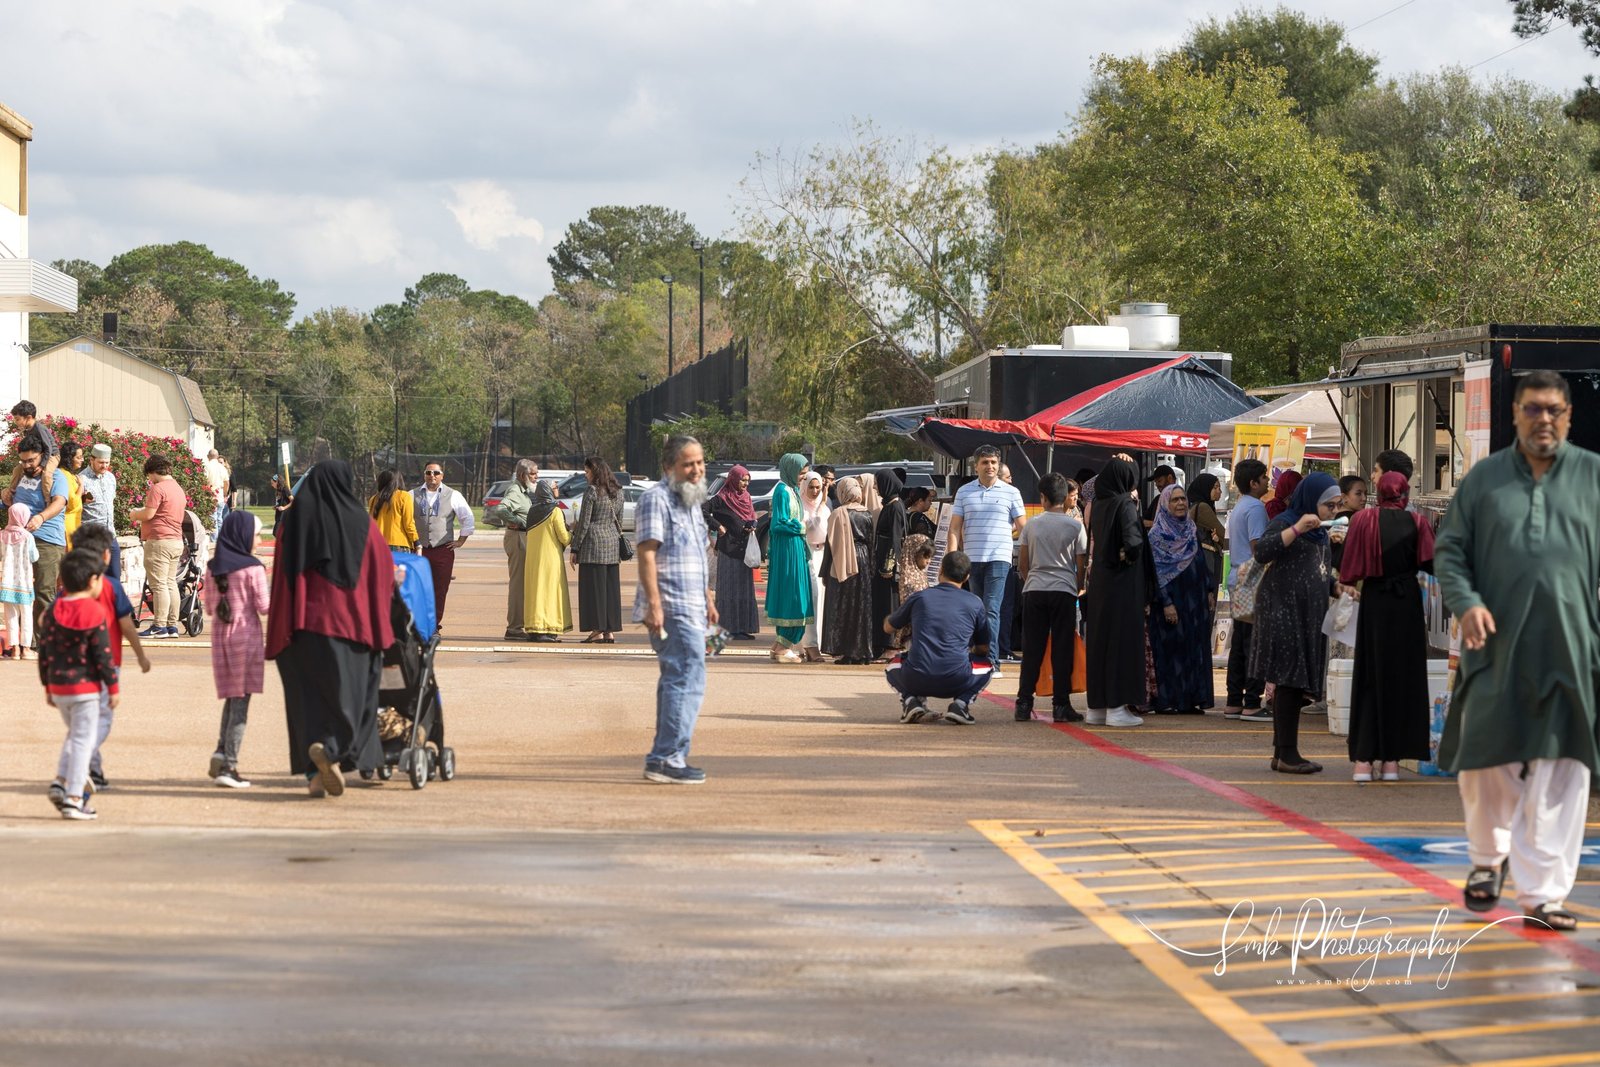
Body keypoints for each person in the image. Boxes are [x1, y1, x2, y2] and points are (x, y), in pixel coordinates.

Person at [1435, 370, 1598, 932]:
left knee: (1563, 768)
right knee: (1486, 757)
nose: (1543, 419)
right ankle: (1488, 859)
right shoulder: (1485, 480)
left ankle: (1544, 895)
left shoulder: (1593, 476)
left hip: (1572, 649)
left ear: (1569, 416)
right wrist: (1466, 602)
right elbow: (1450, 552)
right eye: (1533, 409)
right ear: (1515, 415)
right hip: (1495, 648)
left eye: (1554, 410)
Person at [266, 460, 394, 798]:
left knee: (307, 701)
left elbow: (282, 578)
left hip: (301, 628)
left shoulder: (294, 522)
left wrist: (282, 624)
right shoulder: (361, 522)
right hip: (350, 627)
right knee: (352, 698)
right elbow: (382, 574)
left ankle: (315, 776)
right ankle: (333, 750)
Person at [1340, 471, 1434, 783]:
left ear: (1379, 493)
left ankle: (1363, 762)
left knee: (1370, 674)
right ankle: (1392, 761)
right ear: (1404, 493)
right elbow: (1433, 562)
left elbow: (1349, 570)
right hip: (1407, 602)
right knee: (1403, 678)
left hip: (1375, 602)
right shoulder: (1418, 522)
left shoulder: (1363, 520)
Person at [634, 434, 718, 784]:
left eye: (700, 462)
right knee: (684, 676)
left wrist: (708, 598)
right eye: (688, 464)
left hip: (693, 606)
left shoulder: (692, 500)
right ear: (669, 467)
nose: (697, 470)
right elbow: (647, 553)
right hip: (671, 606)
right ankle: (666, 758)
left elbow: (697, 553)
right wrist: (654, 605)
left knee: (683, 677)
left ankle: (667, 755)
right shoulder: (656, 499)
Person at [1250, 472, 1341, 775]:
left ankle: (1282, 753)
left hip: (1307, 615)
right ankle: (1288, 754)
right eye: (1329, 505)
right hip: (1283, 612)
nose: (1333, 511)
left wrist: (1336, 587)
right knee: (1289, 681)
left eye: (1337, 505)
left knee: (1293, 683)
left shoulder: (1320, 532)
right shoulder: (1287, 522)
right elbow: (1262, 552)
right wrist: (1297, 529)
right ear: (1311, 500)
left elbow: (1317, 569)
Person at [67, 523, 151, 793]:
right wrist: (141, 656)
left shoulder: (68, 587)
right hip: (108, 662)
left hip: (75, 664)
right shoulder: (111, 586)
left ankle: (94, 771)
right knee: (101, 719)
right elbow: (126, 626)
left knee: (83, 720)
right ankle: (79, 762)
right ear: (106, 555)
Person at [38, 549, 116, 821]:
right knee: (83, 741)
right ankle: (73, 797)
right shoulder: (94, 611)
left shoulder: (52, 611)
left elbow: (44, 652)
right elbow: (103, 655)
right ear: (92, 580)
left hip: (59, 687)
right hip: (86, 690)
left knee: (75, 736)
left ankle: (61, 780)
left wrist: (47, 686)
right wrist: (113, 687)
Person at [885, 550, 993, 725]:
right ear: (967, 577)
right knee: (987, 666)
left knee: (892, 664)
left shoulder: (920, 597)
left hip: (917, 678)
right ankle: (961, 704)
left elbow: (888, 627)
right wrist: (969, 652)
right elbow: (983, 648)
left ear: (940, 570)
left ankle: (910, 701)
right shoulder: (975, 602)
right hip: (956, 680)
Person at [203, 512, 270, 789]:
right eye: (257, 534)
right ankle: (229, 766)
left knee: (232, 697)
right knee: (241, 702)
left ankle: (221, 751)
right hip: (246, 637)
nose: (259, 540)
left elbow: (209, 608)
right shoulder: (253, 568)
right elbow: (265, 607)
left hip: (221, 638)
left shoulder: (213, 567)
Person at [1014, 472, 1088, 724]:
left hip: (1035, 589)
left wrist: (1031, 580)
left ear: (1043, 498)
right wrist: (1077, 585)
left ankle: (1024, 703)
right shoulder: (1075, 526)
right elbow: (1081, 563)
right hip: (1063, 590)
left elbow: (1023, 564)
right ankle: (1061, 705)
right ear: (1066, 497)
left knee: (1032, 648)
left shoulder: (1032, 525)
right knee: (1062, 648)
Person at [948, 445, 1026, 673]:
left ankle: (991, 662)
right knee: (977, 610)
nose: (989, 466)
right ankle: (978, 657)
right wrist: (952, 560)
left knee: (992, 609)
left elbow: (1024, 527)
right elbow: (954, 528)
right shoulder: (964, 492)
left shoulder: (1011, 492)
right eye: (985, 462)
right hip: (972, 559)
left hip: (999, 559)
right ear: (976, 466)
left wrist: (1029, 554)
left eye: (993, 462)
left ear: (998, 465)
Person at [1082, 458, 1146, 727]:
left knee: (1100, 642)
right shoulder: (1124, 503)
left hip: (1100, 583)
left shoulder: (1097, 504)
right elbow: (1133, 542)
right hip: (1122, 585)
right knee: (1122, 643)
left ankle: (1097, 707)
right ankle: (1117, 708)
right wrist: (1128, 555)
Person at [1146, 483, 1215, 716]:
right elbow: (1155, 574)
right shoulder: (1157, 536)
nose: (1180, 503)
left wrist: (1209, 590)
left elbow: (1201, 561)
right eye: (1175, 500)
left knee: (1193, 648)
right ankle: (1167, 701)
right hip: (1171, 602)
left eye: (1183, 499)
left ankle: (1190, 700)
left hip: (1194, 601)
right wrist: (1166, 603)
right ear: (1165, 503)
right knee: (1171, 650)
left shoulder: (1191, 530)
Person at [1225, 459, 1270, 721]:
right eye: (1264, 477)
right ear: (1253, 483)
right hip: (1252, 579)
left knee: (1241, 643)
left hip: (1239, 577)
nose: (1268, 481)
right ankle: (1252, 702)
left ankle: (1234, 701)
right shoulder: (1255, 507)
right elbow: (1258, 547)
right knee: (1254, 642)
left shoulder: (1241, 505)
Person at [13, 435, 70, 642]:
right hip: (20, 539)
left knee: (44, 591)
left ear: (43, 456)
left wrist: (41, 517)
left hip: (47, 540)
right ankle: (25, 641)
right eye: (23, 461)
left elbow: (59, 502)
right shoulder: (20, 475)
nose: (27, 465)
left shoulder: (56, 476)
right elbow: (12, 501)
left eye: (31, 460)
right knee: (20, 590)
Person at [129, 453, 187, 639]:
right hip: (176, 540)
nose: (149, 479)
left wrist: (134, 514)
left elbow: (148, 514)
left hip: (159, 541)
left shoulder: (158, 488)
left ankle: (159, 626)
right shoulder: (178, 488)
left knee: (159, 584)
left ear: (152, 471)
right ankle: (172, 625)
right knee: (170, 583)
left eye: (149, 475)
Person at [765, 453, 816, 663]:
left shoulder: (792, 490)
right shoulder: (782, 491)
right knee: (793, 594)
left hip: (795, 547)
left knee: (795, 592)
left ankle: (781, 645)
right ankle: (783, 647)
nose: (803, 477)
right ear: (791, 470)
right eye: (801, 473)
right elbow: (778, 523)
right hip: (788, 550)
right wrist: (801, 526)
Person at [568, 457, 623, 644]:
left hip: (592, 546)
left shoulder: (592, 491)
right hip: (612, 545)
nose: (585, 475)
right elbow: (619, 522)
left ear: (595, 471)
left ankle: (596, 630)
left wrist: (575, 547)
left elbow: (584, 523)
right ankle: (609, 630)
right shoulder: (618, 491)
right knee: (610, 590)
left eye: (587, 471)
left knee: (593, 590)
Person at [412, 461, 474, 626]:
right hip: (419, 549)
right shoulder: (411, 494)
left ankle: (434, 625)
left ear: (442, 476)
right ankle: (419, 624)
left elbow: (467, 518)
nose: (432, 476)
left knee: (440, 589)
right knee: (418, 588)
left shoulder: (453, 495)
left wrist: (461, 541)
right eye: (428, 473)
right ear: (424, 475)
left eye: (436, 473)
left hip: (442, 549)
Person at [820, 476, 874, 664]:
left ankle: (844, 650)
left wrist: (825, 572)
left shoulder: (837, 513)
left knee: (842, 606)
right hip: (863, 560)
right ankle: (861, 652)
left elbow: (830, 545)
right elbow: (871, 543)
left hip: (841, 562)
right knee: (861, 607)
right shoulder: (867, 514)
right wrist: (871, 569)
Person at [705, 464, 760, 640]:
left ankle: (742, 627)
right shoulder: (721, 498)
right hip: (728, 550)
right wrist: (718, 526)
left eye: (747, 481)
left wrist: (752, 526)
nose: (745, 484)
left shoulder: (746, 497)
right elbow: (701, 510)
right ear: (734, 480)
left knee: (743, 589)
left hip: (744, 550)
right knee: (729, 589)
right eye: (742, 480)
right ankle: (728, 629)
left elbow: (750, 517)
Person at [491, 459, 538, 640]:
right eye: (532, 474)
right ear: (521, 475)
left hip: (523, 537)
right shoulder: (515, 491)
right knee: (518, 586)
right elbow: (501, 509)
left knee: (524, 585)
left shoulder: (523, 491)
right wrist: (518, 521)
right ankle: (514, 628)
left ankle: (521, 625)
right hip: (518, 538)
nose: (536, 477)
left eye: (536, 473)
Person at [522, 479, 572, 641]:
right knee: (549, 592)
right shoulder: (555, 511)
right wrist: (573, 531)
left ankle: (534, 628)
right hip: (550, 559)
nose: (557, 490)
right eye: (555, 487)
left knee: (536, 592)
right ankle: (547, 627)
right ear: (549, 491)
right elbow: (564, 538)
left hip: (533, 559)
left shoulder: (532, 511)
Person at [869, 469, 907, 659]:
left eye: (877, 483)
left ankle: (891, 645)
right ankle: (881, 643)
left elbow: (895, 538)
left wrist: (888, 565)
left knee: (889, 604)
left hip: (888, 567)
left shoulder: (895, 507)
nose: (875, 488)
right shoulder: (890, 505)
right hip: (882, 562)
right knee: (882, 603)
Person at [799, 471, 831, 656]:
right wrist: (821, 507)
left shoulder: (825, 508)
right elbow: (811, 529)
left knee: (821, 598)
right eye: (811, 487)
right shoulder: (800, 506)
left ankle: (818, 641)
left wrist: (822, 506)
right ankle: (805, 643)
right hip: (807, 554)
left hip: (822, 555)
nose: (815, 491)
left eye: (818, 487)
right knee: (811, 597)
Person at [4, 400, 58, 508]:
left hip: (52, 455)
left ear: (28, 417)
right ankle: (11, 492)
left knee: (46, 474)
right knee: (17, 470)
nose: (16, 422)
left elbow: (48, 448)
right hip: (39, 456)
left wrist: (42, 465)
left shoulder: (39, 428)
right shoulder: (27, 430)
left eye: (17, 419)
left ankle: (48, 501)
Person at [1187, 472, 1225, 624]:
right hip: (1207, 561)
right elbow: (1222, 534)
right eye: (1215, 487)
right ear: (1205, 488)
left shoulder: (1199, 505)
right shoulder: (1202, 507)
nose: (1219, 491)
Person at [2, 502, 38, 659]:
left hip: (7, 583)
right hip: (24, 583)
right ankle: (26, 649)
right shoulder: (28, 537)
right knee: (27, 614)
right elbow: (34, 557)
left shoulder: (2, 535)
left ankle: (15, 649)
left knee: (10, 615)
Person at [368, 469, 418, 553]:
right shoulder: (404, 496)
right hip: (399, 545)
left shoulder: (373, 499)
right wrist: (416, 541)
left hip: (377, 544)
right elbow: (409, 524)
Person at [78, 443, 117, 533]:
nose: (104, 466)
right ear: (92, 460)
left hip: (110, 533)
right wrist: (82, 500)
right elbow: (73, 504)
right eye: (101, 462)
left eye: (107, 463)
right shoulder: (82, 479)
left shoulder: (110, 478)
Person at [58, 441, 83, 547]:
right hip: (68, 524)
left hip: (74, 523)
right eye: (79, 457)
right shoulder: (64, 475)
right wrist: (81, 487)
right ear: (69, 458)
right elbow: (72, 503)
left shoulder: (69, 474)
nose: (82, 460)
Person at [204, 449, 230, 534]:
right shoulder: (222, 467)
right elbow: (226, 482)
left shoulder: (207, 466)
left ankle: (214, 539)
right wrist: (225, 494)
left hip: (210, 494)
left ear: (208, 456)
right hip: (220, 494)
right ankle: (220, 537)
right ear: (217, 456)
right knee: (219, 518)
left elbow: (203, 480)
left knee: (212, 519)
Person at [270, 474, 293, 542]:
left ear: (277, 482)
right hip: (279, 514)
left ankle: (287, 545)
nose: (271, 485)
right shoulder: (278, 490)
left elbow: (293, 501)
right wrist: (276, 506)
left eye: (272, 483)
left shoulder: (285, 489)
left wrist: (284, 507)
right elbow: (281, 502)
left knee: (276, 532)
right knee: (277, 533)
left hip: (284, 514)